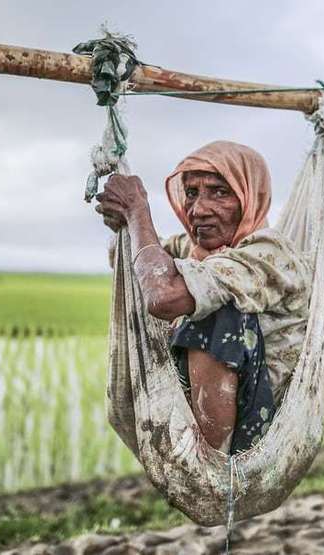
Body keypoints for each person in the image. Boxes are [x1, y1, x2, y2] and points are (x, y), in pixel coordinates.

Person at [95, 141, 310, 454]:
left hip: (259, 435)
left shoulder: (270, 253)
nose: (199, 209)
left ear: (251, 197)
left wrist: (137, 211)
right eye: (191, 193)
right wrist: (125, 224)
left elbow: (163, 295)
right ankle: (193, 452)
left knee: (210, 306)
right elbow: (134, 260)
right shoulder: (199, 250)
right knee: (194, 286)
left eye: (220, 192)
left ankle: (210, 458)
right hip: (193, 417)